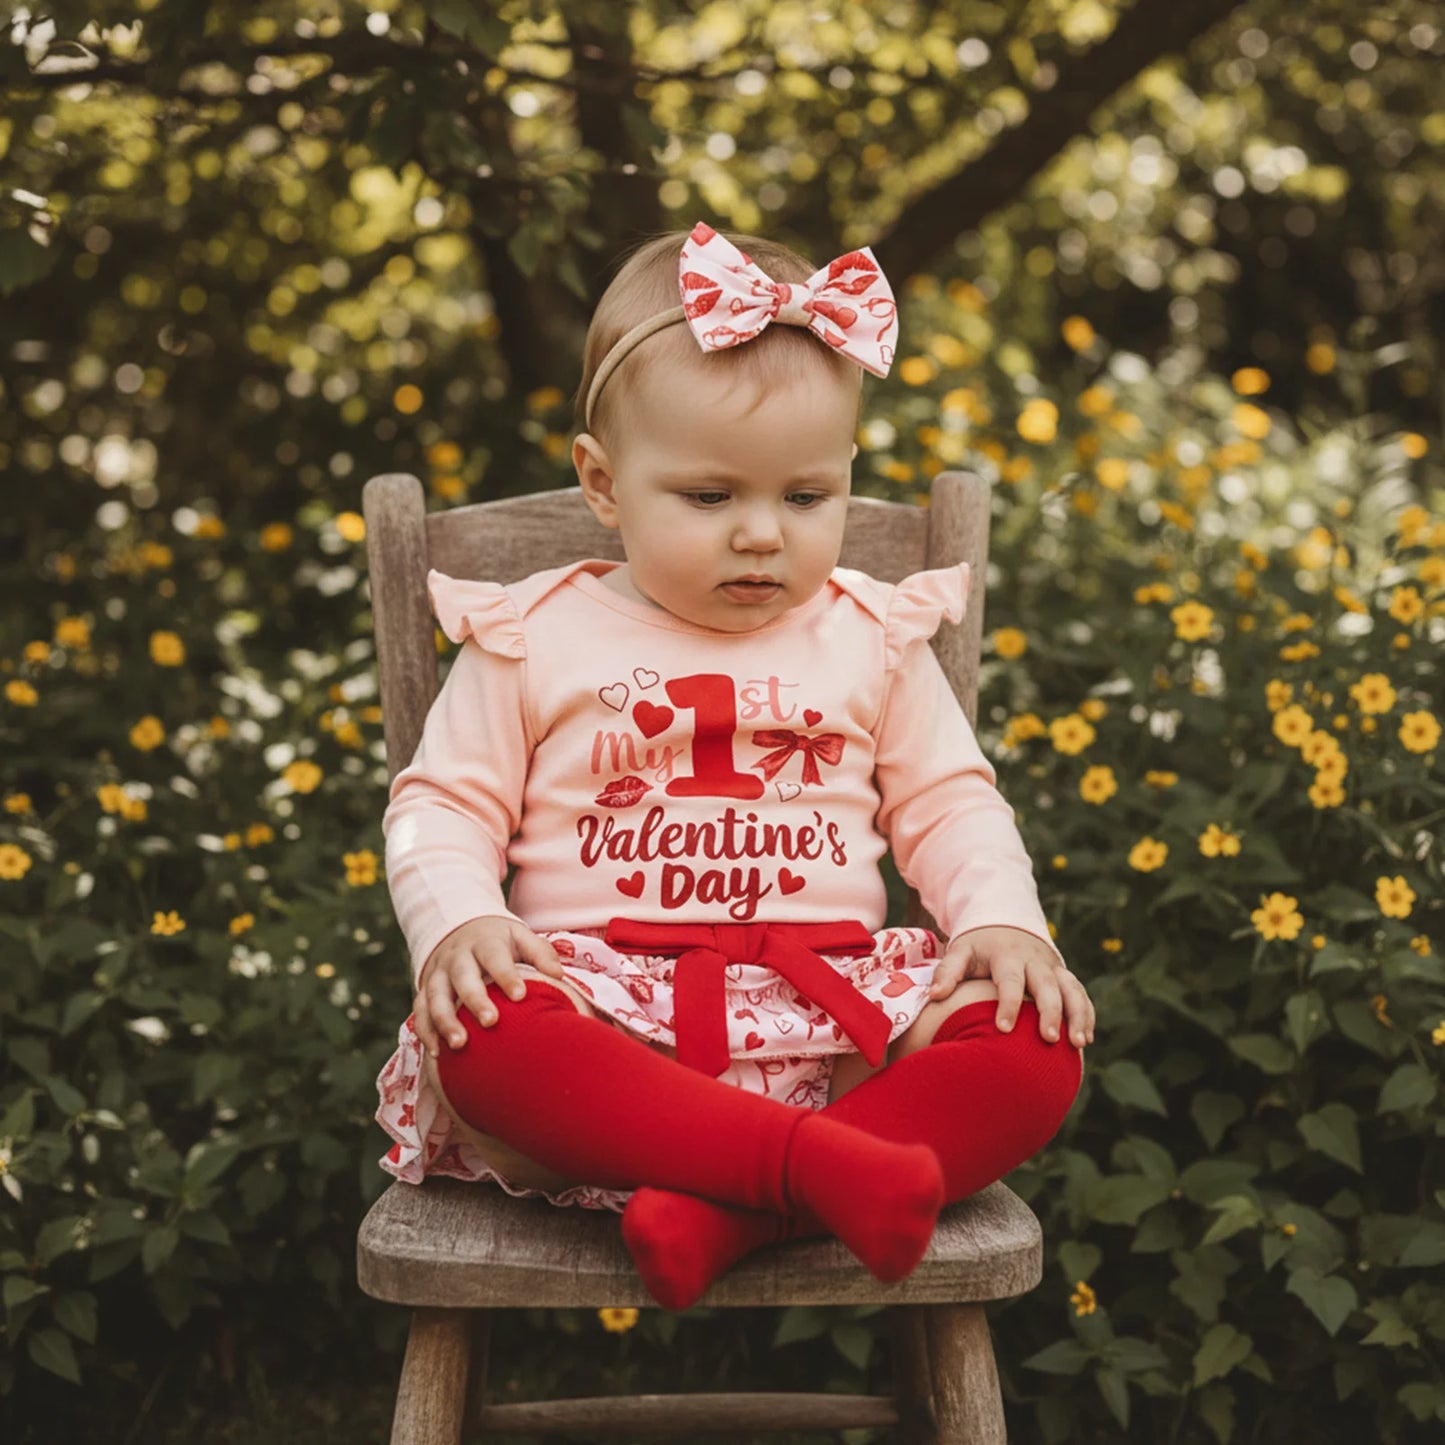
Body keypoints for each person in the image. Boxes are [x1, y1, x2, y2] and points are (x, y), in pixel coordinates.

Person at [375, 221, 1093, 1310]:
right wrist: (460, 923)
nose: (761, 533)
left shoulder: (869, 633)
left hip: (841, 1018)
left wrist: (1003, 920)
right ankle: (809, 1171)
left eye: (804, 497)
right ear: (602, 481)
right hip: (611, 1025)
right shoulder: (532, 633)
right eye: (709, 498)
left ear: (844, 477)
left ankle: (731, 1200)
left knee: (1035, 1036)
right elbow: (441, 804)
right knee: (490, 1035)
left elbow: (948, 799)